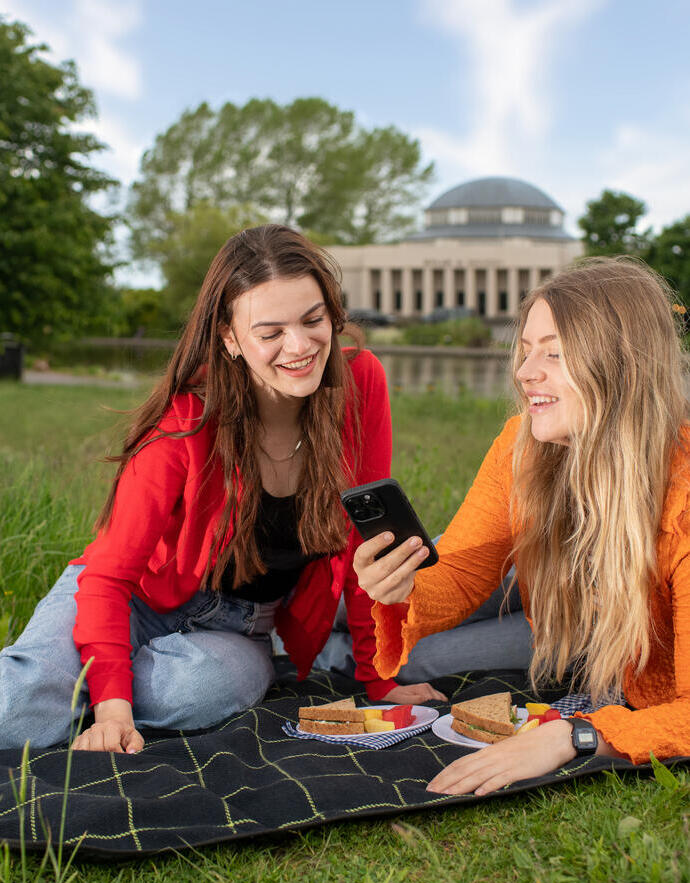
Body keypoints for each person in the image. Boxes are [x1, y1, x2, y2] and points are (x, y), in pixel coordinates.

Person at [0, 224, 444, 754]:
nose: (300, 346)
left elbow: (364, 549)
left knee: (200, 689)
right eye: (270, 331)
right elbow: (110, 578)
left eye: (313, 320)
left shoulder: (359, 386)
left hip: (236, 628)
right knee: (14, 710)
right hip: (131, 600)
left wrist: (380, 681)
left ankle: (76, 689)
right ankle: (75, 691)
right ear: (230, 337)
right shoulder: (186, 419)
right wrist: (116, 710)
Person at [354, 256, 690, 795]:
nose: (525, 371)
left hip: (604, 633)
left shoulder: (682, 498)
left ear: (623, 364)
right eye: (528, 349)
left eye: (554, 353)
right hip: (549, 595)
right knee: (423, 590)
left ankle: (317, 634)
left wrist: (576, 737)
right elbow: (463, 569)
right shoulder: (522, 445)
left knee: (426, 659)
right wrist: (403, 585)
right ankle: (314, 624)